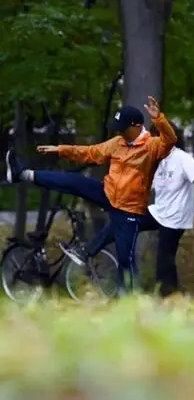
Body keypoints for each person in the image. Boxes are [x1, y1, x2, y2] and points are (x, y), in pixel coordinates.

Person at [5, 96, 177, 293]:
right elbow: (90, 152)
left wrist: (159, 118)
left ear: (136, 126)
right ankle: (23, 174)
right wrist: (61, 150)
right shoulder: (117, 143)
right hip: (107, 192)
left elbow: (170, 140)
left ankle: (127, 298)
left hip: (128, 208)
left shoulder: (152, 146)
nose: (120, 132)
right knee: (72, 181)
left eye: (123, 128)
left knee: (125, 258)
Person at [62, 122, 194, 297]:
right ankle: (86, 252)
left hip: (175, 219)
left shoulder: (181, 158)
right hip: (158, 212)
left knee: (165, 257)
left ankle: (169, 296)